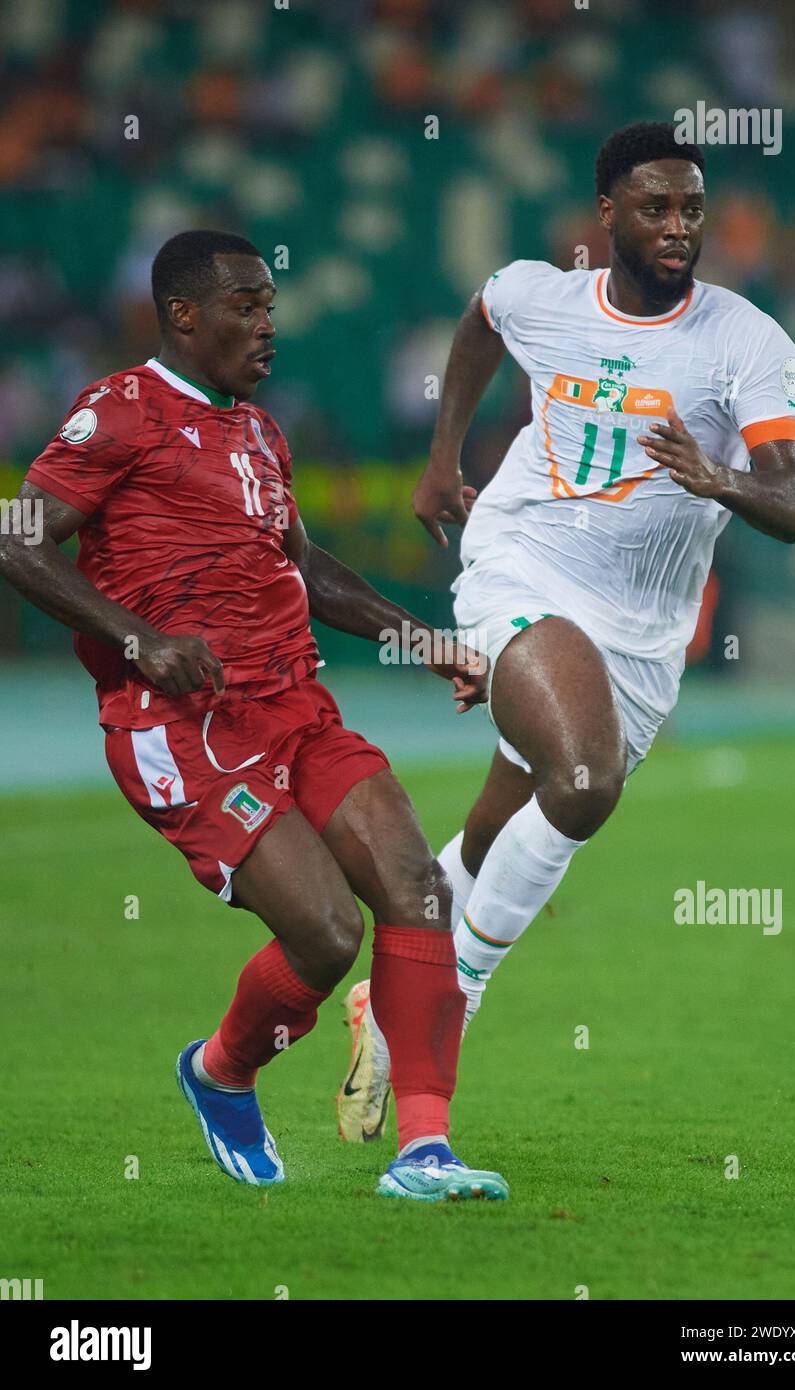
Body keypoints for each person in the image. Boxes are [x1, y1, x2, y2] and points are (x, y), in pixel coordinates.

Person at [0, 229, 509, 1203]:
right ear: (183, 314)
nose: (266, 323)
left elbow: (307, 568)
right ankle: (222, 1070)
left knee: (415, 885)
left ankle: (425, 1153)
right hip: (181, 727)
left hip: (297, 704)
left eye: (270, 304)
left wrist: (426, 639)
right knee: (324, 934)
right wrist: (137, 635)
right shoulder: (120, 411)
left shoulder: (259, 432)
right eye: (245, 305)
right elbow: (18, 538)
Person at [338, 122, 795, 1143]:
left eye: (690, 207)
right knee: (584, 780)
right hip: (522, 562)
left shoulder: (745, 343)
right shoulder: (540, 294)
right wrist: (442, 458)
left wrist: (715, 475)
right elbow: (478, 318)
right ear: (607, 216)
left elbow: (790, 504)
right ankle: (450, 994)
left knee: (510, 816)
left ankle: (385, 995)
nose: (678, 226)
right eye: (655, 206)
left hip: (641, 632)